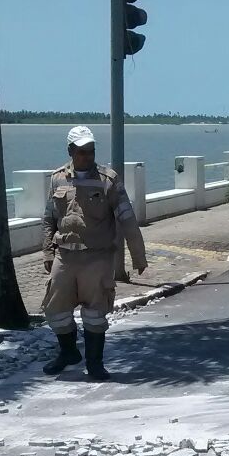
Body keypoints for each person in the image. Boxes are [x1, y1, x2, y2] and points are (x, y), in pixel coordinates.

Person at [41, 126, 148, 381]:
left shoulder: (108, 180)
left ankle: (94, 362)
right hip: (65, 257)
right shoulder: (57, 178)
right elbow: (49, 218)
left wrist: (138, 256)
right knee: (54, 309)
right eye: (81, 152)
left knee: (95, 313)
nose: (87, 156)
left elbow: (127, 218)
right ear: (70, 151)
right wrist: (47, 252)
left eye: (91, 151)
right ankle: (68, 352)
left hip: (97, 257)